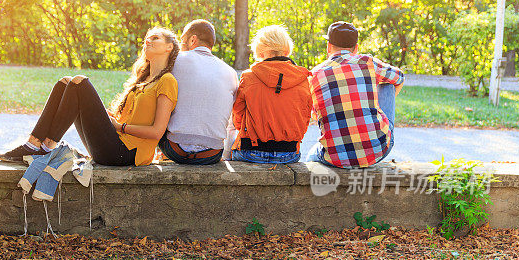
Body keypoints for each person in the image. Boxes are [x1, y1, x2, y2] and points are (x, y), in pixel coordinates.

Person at [0, 27, 179, 167]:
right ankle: (34, 144)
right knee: (65, 82)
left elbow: (157, 132)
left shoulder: (167, 81)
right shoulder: (142, 80)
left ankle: (46, 148)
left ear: (169, 47)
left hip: (126, 154)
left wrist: (120, 126)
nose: (148, 41)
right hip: (113, 144)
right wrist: (113, 120)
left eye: (155, 38)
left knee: (79, 82)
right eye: (147, 38)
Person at [306, 21, 404, 168]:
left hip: (334, 157)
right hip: (378, 149)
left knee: (310, 157)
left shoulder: (314, 74)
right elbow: (399, 77)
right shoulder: (367, 62)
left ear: (329, 47)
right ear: (356, 48)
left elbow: (314, 114)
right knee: (388, 82)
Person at [158, 19, 238, 165]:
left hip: (175, 150)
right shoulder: (230, 72)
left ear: (192, 40)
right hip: (212, 154)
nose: (180, 47)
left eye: (182, 41)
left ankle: (158, 155)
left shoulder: (175, 60)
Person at [230, 25, 312, 164]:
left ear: (260, 51)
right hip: (288, 153)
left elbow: (238, 114)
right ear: (286, 50)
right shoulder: (303, 79)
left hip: (251, 151)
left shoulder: (249, 77)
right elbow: (305, 118)